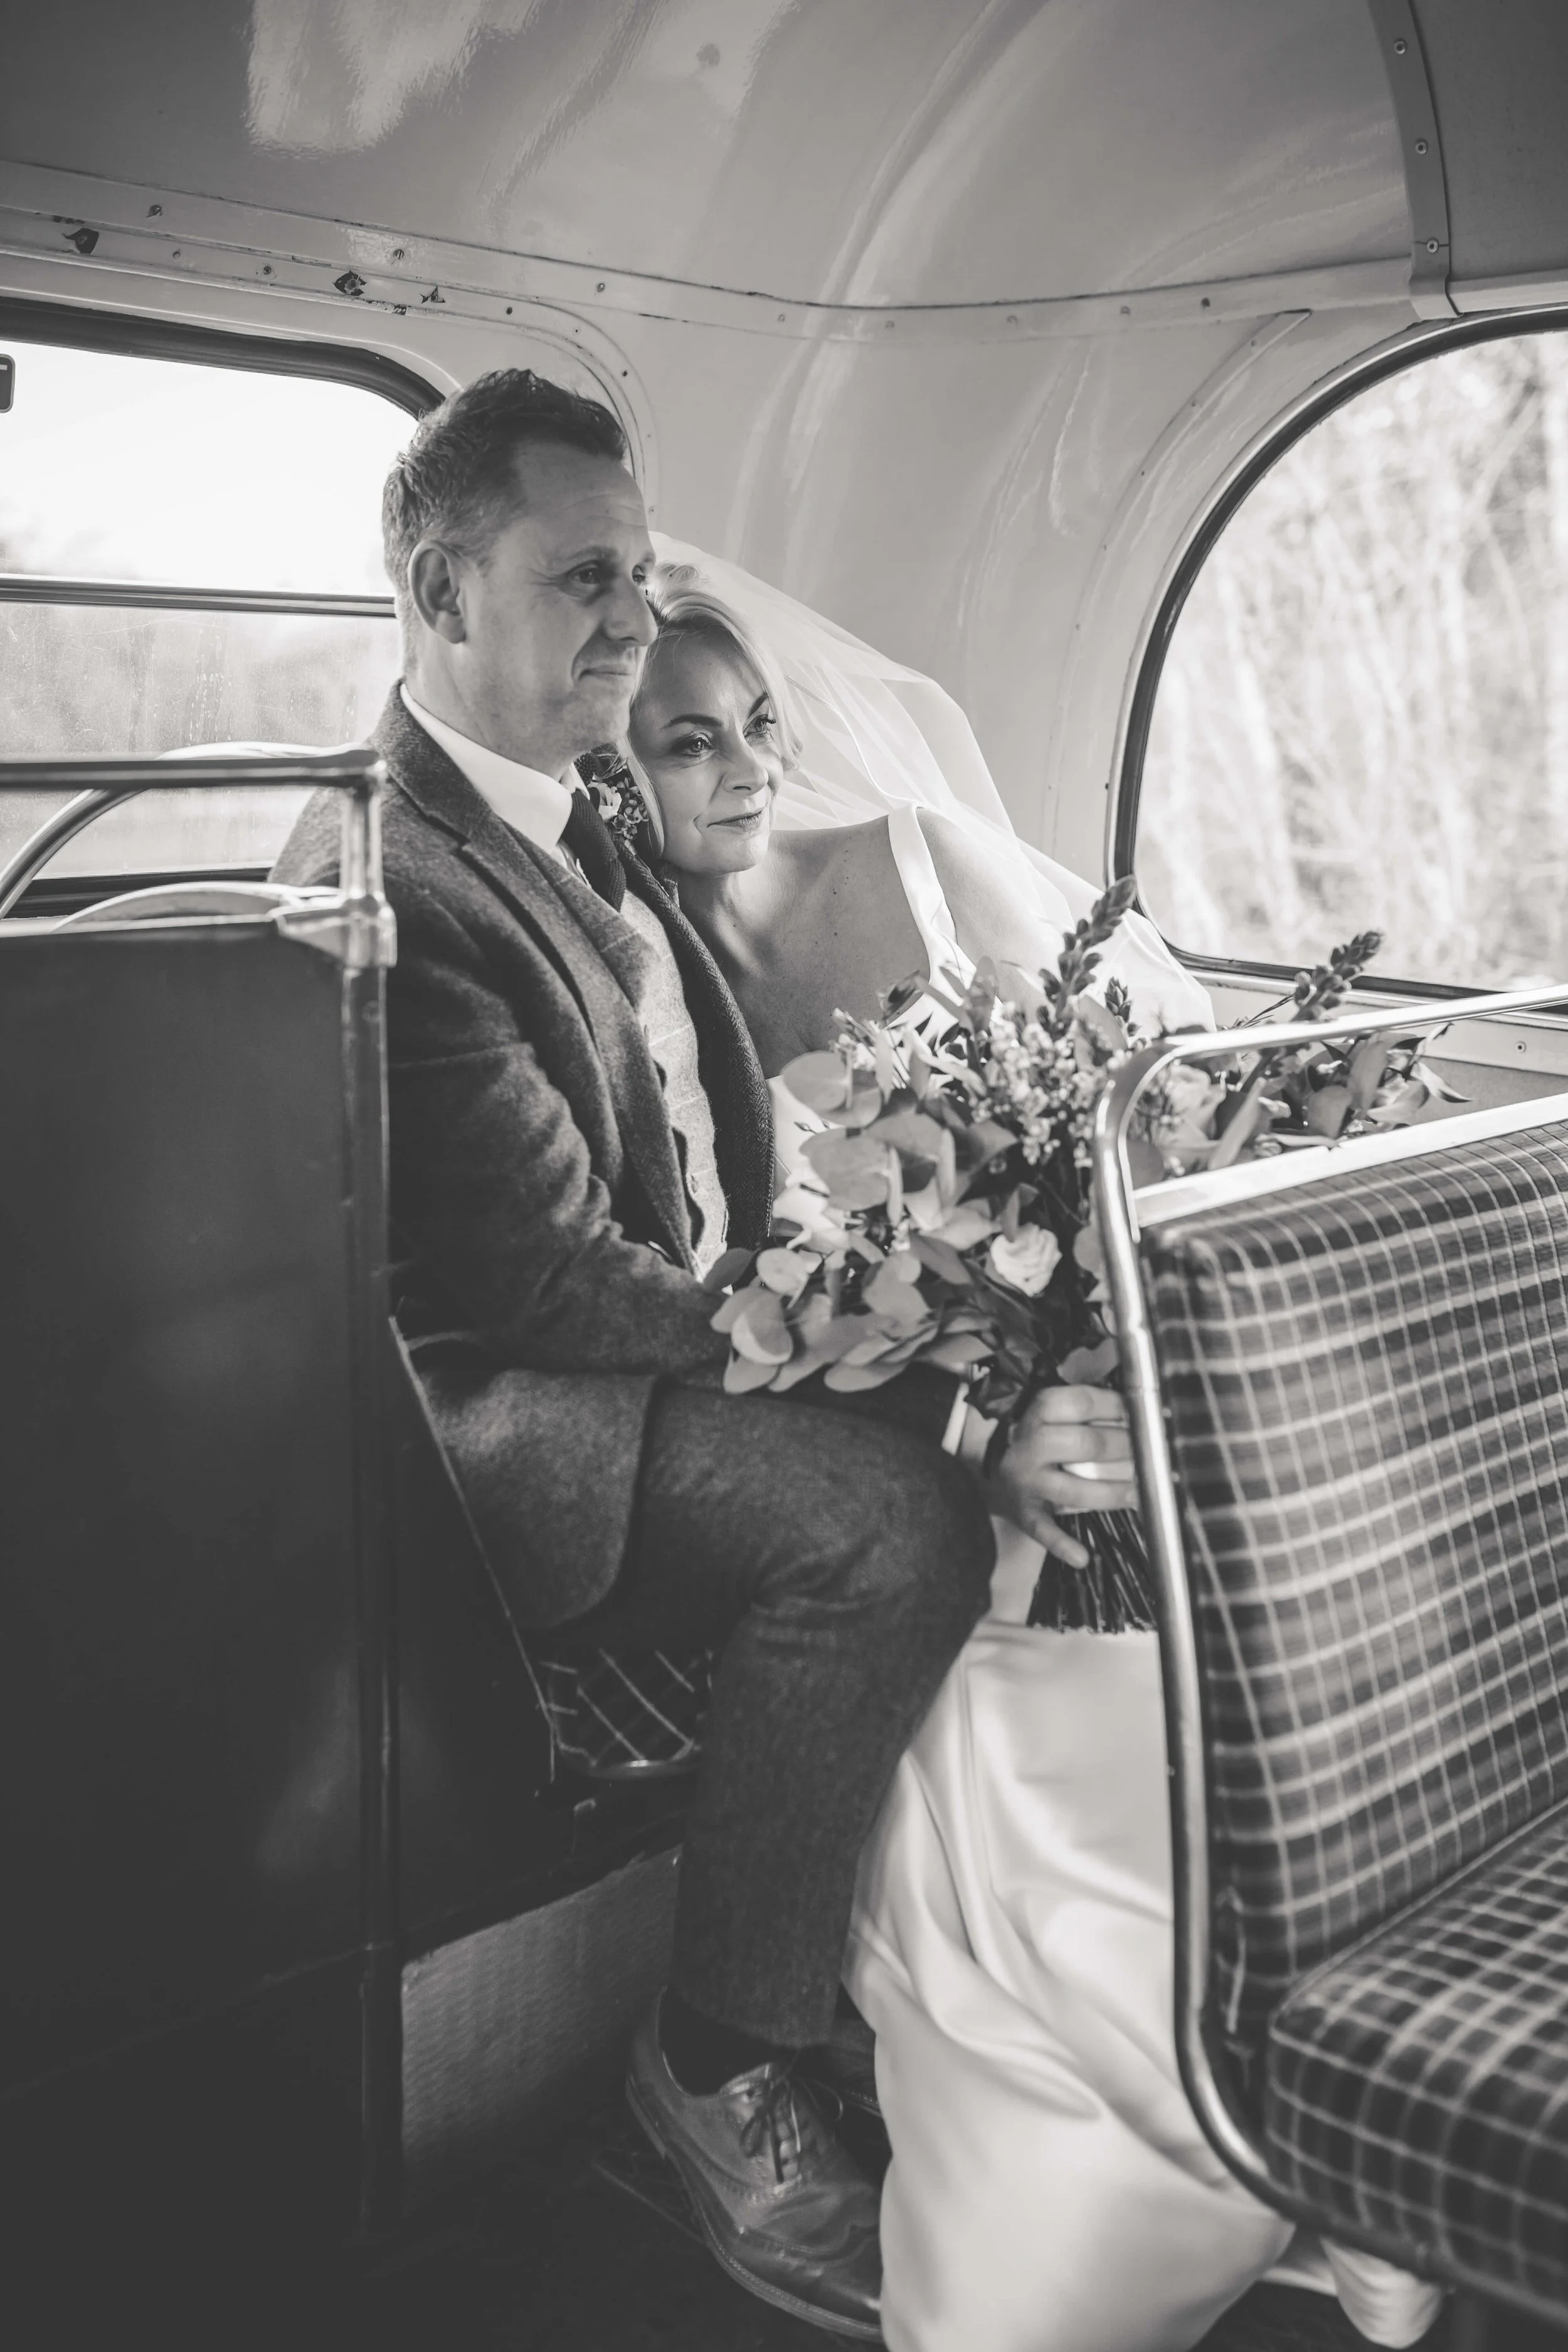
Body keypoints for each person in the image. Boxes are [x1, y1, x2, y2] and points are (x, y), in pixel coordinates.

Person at [272, 368, 1132, 2342]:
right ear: (434, 585)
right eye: (581, 580)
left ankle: (918, 1978)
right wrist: (842, 1340)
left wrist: (886, 1274)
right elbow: (552, 1278)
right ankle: (717, 2062)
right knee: (894, 1525)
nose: (627, 623)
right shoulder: (406, 880)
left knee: (1014, 1418)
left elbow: (706, 1139)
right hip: (503, 1427)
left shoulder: (586, 815)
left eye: (638, 580)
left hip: (656, 1345)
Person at [617, 573, 1446, 2352]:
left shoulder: (913, 852)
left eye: (757, 723)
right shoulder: (649, 989)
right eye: (688, 743)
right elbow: (753, 1320)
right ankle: (1226, 2150)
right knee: (1005, 1757)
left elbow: (1140, 1105)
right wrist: (984, 1439)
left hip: (1106, 1391)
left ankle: (1315, 2125)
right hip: (913, 1449)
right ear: (616, 775)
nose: (748, 769)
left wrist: (1114, 1378)